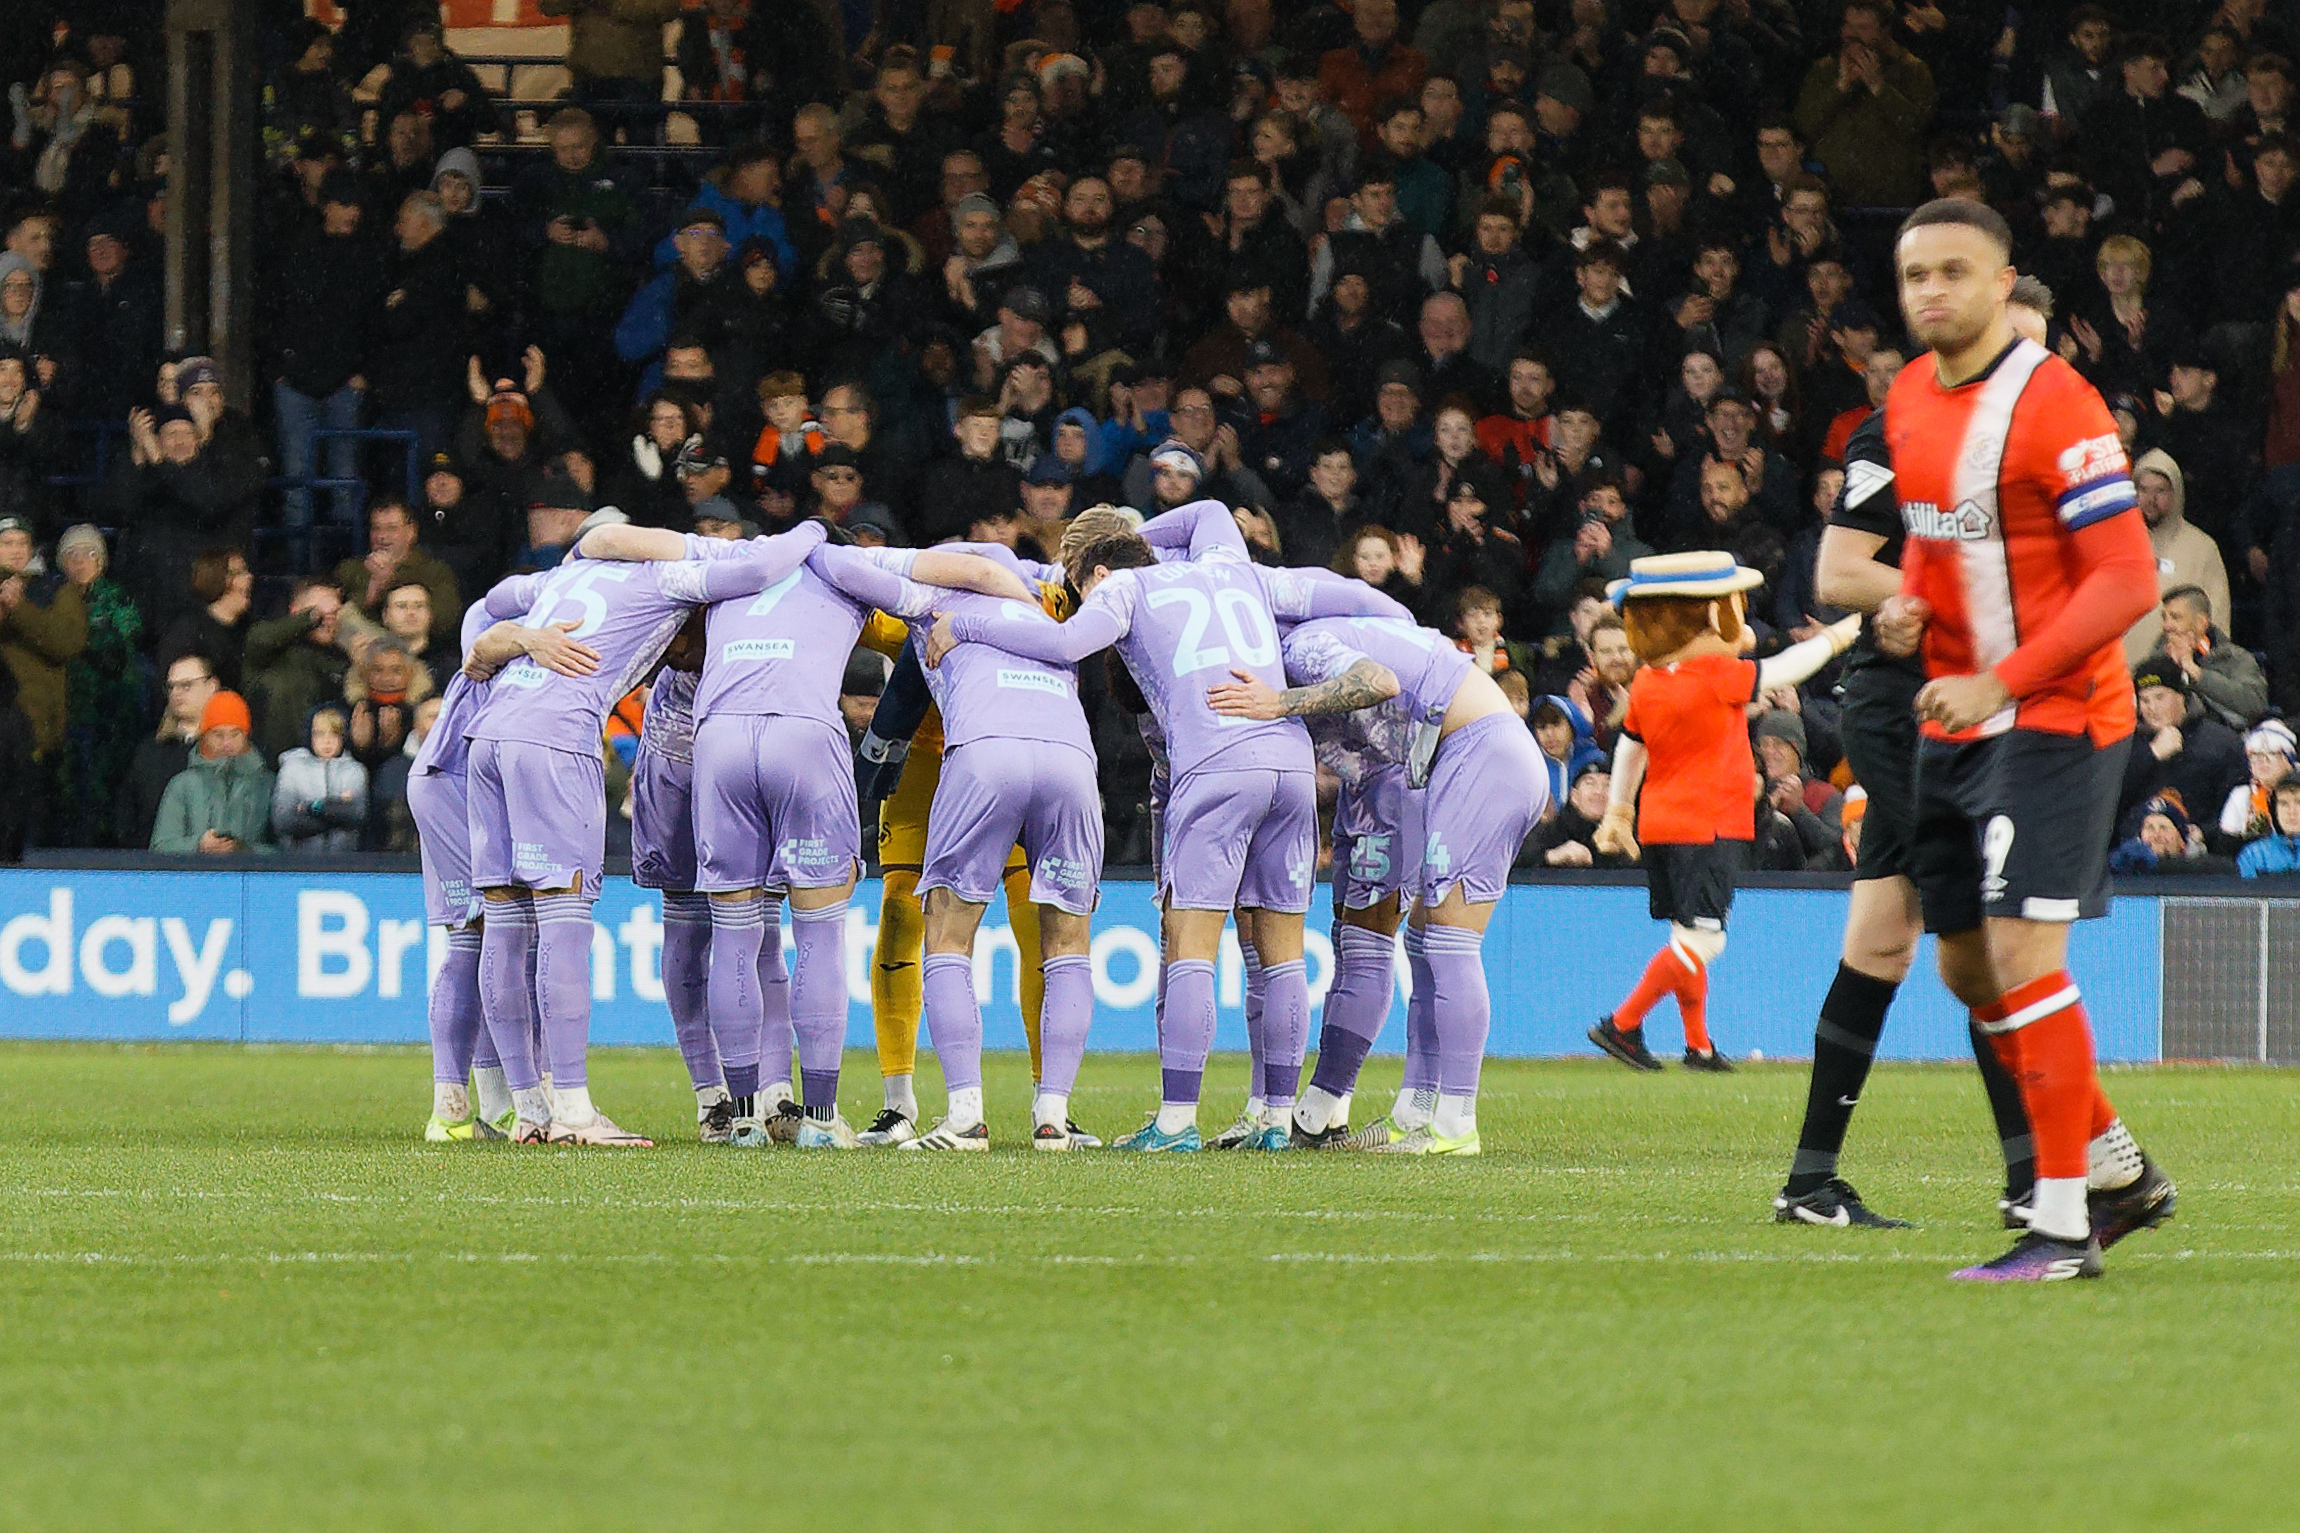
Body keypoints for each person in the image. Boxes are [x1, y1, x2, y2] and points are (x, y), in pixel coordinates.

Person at [1874, 199, 2174, 1281]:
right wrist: (1903, 610)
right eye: (1913, 276)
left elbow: (2127, 581)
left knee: (2020, 958)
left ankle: (2056, 1229)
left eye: (1954, 272)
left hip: (2054, 716)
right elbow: (1933, 543)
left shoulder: (2055, 404)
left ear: (2004, 284)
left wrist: (1999, 676)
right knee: (1964, 972)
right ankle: (2118, 1172)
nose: (1931, 293)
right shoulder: (1906, 396)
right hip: (1954, 719)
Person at [609, 523, 1029, 1149]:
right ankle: (822, 1121)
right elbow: (981, 574)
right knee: (820, 936)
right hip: (804, 735)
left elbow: (611, 543)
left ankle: (742, 1116)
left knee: (732, 933)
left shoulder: (734, 560)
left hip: (716, 738)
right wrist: (1016, 617)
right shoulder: (850, 566)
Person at [926, 504, 1328, 1150]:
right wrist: (1137, 534)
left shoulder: (1123, 586)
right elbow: (1213, 509)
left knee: (1189, 940)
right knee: (1281, 951)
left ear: (1096, 569)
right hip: (1290, 759)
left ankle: (1175, 1121)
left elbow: (1063, 643)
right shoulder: (1229, 561)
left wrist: (966, 624)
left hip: (1217, 759)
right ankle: (1274, 1116)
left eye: (1077, 583)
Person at [460, 514, 832, 1147]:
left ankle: (527, 1109)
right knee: (567, 919)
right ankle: (582, 1111)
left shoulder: (567, 574)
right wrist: (812, 531)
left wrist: (519, 640)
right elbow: (759, 567)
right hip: (571, 739)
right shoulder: (667, 580)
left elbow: (482, 612)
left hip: (490, 737)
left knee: (504, 919)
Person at [1210, 595, 1547, 1155]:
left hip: (1479, 754)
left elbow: (1379, 680)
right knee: (1423, 940)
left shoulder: (1304, 643)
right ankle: (1416, 1112)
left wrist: (1278, 703)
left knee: (1448, 943)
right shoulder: (1339, 627)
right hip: (1459, 758)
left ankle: (1456, 1124)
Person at [1587, 554, 1858, 1073]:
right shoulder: (1713, 673)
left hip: (1662, 824)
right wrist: (1841, 634)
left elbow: (1630, 748)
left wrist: (1618, 811)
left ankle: (1699, 1045)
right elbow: (1784, 670)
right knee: (1705, 939)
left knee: (1687, 933)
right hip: (1708, 823)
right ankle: (1623, 1024)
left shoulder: (1648, 681)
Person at [877, 541, 1105, 1150]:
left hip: (988, 756)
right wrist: (880, 735)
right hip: (941, 765)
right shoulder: (927, 600)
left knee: (1027, 925)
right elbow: (875, 637)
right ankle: (898, 1101)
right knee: (902, 914)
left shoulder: (1052, 599)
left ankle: (1038, 1104)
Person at [405, 578, 601, 1142]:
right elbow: (483, 616)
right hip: (458, 779)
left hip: (457, 773)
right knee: (492, 934)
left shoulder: (541, 622)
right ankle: (496, 1103)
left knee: (492, 935)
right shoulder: (512, 615)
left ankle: (471, 1105)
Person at [151, 691, 274, 855]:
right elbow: (159, 848)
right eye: (218, 734)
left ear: (246, 735)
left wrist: (246, 851)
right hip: (195, 879)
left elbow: (287, 851)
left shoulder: (266, 784)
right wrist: (198, 845)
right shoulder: (182, 785)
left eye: (235, 734)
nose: (226, 743)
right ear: (205, 736)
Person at [332, 498, 464, 648]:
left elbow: (446, 619)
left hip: (421, 654)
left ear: (411, 532)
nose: (381, 536)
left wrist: (393, 584)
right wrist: (372, 593)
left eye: (391, 529)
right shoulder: (350, 569)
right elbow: (334, 619)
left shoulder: (435, 571)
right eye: (376, 528)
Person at [2155, 585, 2267, 731]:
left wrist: (2196, 673)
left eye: (2175, 617)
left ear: (2201, 623)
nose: (2167, 626)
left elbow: (2255, 706)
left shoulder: (2234, 658)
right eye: (2165, 618)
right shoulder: (2155, 659)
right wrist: (2169, 668)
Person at [271, 704, 369, 853]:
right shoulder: (292, 768)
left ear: (343, 737)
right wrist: (335, 814)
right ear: (309, 736)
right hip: (298, 864)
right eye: (319, 734)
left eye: (334, 734)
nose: (327, 741)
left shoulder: (355, 771)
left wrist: (311, 808)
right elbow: (284, 821)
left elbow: (357, 815)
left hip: (343, 864)